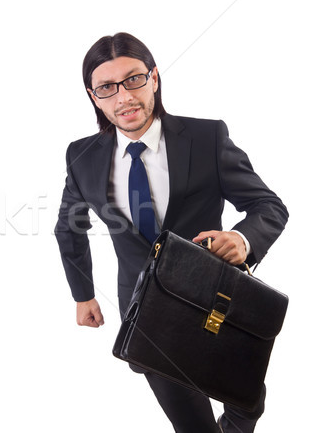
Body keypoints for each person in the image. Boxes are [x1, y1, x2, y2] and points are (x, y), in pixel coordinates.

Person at [54, 32, 288, 433]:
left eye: (133, 79)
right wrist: (83, 295)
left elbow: (269, 206)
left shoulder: (206, 138)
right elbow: (69, 228)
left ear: (155, 78)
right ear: (94, 96)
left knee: (248, 404)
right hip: (145, 315)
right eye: (107, 87)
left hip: (217, 300)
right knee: (193, 425)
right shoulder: (82, 155)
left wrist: (243, 239)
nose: (123, 97)